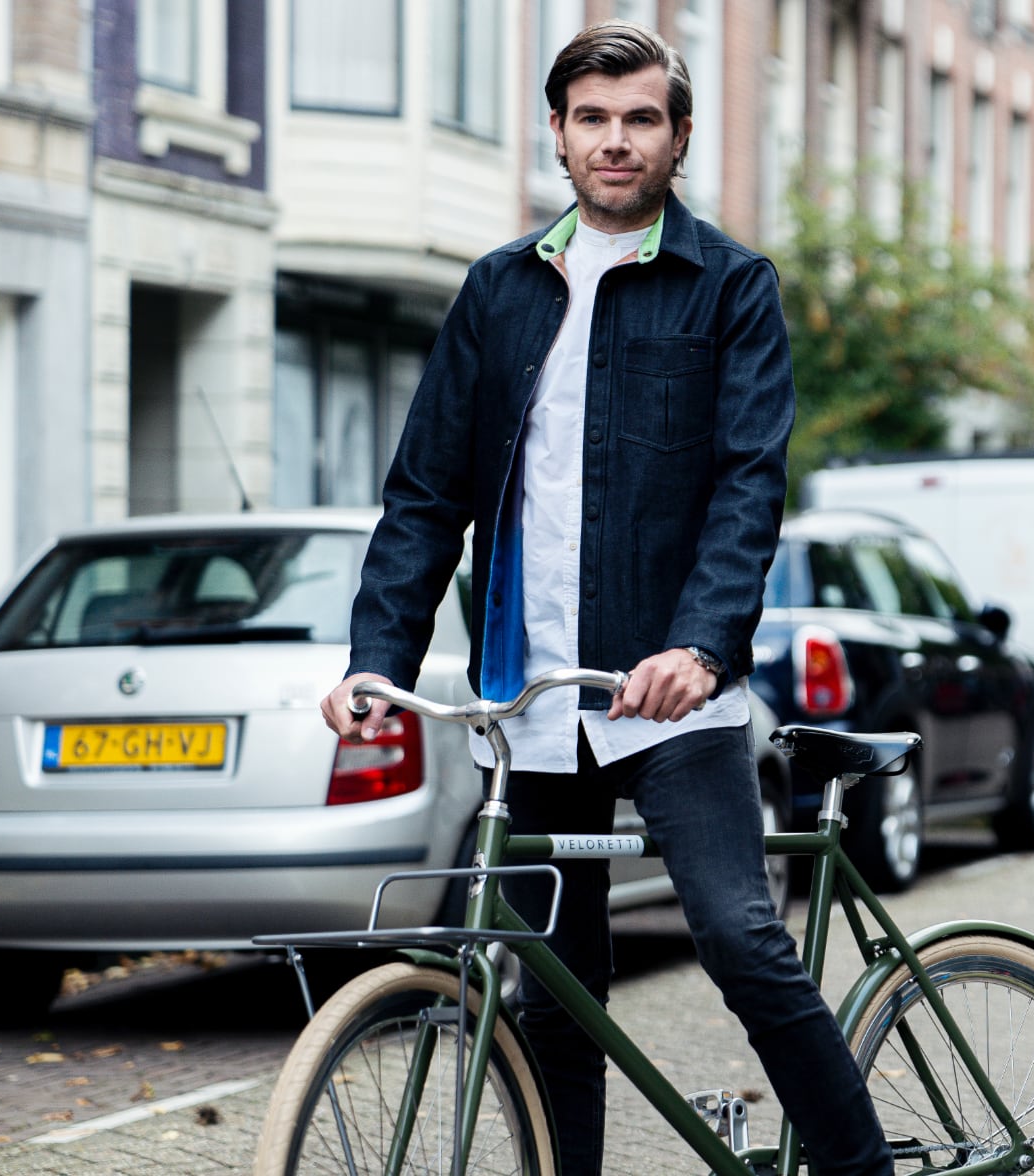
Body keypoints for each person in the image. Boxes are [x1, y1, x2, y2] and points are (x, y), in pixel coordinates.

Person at [320, 20, 892, 1176]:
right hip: (530, 702)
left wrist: (700, 646)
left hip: (669, 702)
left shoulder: (730, 287)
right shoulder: (495, 292)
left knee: (738, 939)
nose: (615, 141)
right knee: (552, 1001)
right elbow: (425, 494)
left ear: (678, 138)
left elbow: (746, 486)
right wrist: (372, 658)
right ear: (557, 134)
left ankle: (859, 1168)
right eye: (592, 119)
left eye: (640, 119)